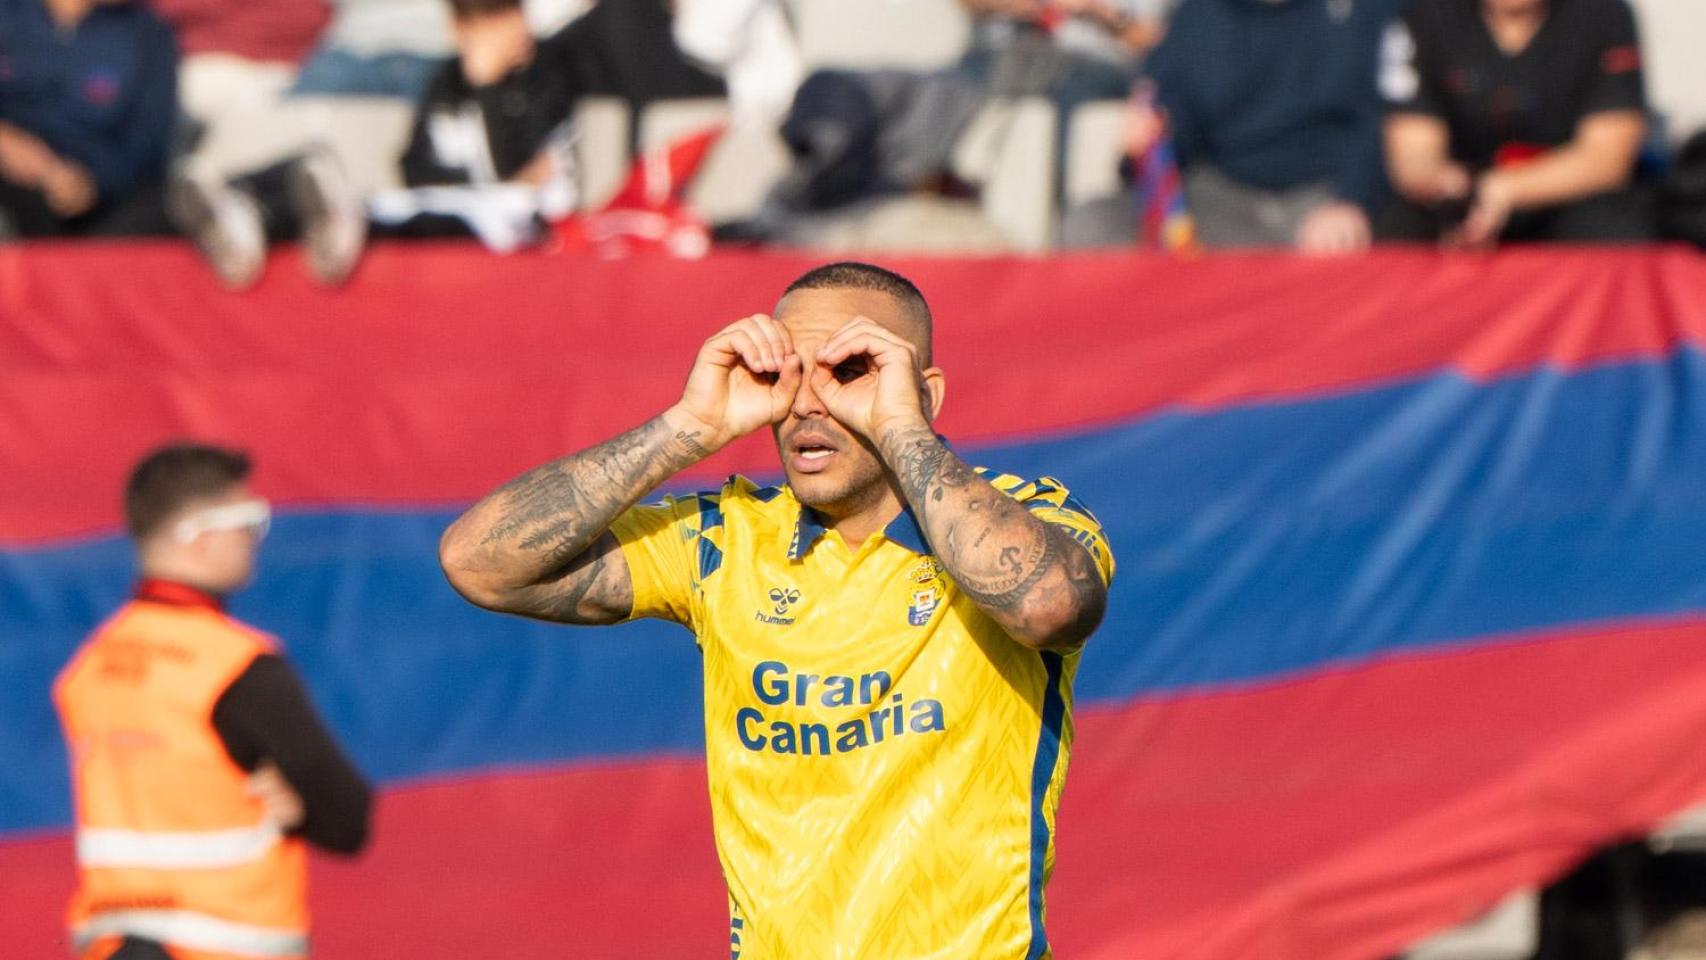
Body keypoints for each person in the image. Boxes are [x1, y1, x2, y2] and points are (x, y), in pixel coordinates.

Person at [440, 261, 1114, 957]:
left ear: (925, 392)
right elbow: (479, 563)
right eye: (787, 373)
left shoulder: (1024, 518)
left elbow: (1048, 605)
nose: (807, 405)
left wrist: (901, 426)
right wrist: (689, 425)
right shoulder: (723, 538)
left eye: (849, 369)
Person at [55, 443, 371, 960]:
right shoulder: (237, 668)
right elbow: (347, 819)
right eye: (249, 519)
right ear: (199, 536)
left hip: (114, 945)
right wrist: (294, 809)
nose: (253, 539)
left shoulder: (90, 667)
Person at [1378, 0, 1654, 246]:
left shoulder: (1605, 15)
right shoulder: (1427, 16)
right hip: (1462, 198)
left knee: (1617, 232)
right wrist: (1446, 185)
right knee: (1395, 232)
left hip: (1564, 199)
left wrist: (1501, 190)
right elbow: (1412, 154)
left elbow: (1608, 159)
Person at [1143, 0, 1403, 253]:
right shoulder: (1200, 13)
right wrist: (1154, 131)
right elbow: (1174, 115)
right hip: (1223, 193)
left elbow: (1386, 115)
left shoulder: (1366, 9)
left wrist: (1352, 200)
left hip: (1326, 192)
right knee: (1108, 224)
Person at [0, 0, 178, 238]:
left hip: (97, 195)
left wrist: (90, 182)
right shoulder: (9, 13)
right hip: (13, 179)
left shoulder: (146, 31)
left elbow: (150, 141)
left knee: (164, 206)